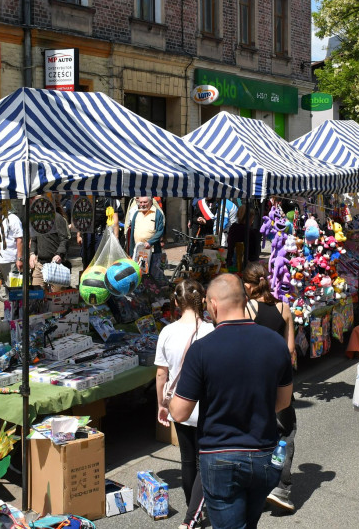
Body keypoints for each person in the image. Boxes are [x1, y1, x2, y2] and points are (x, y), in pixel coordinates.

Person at [169, 275, 293, 529]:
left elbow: (180, 413)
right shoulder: (276, 344)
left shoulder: (202, 350)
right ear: (245, 301)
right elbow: (283, 402)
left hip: (219, 456)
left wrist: (168, 400)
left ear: (213, 305)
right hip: (263, 454)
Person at [156, 279, 215, 529]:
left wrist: (162, 404)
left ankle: (193, 508)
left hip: (179, 404)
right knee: (204, 460)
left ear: (177, 303)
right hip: (207, 404)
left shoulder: (167, 332)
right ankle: (196, 511)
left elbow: (161, 375)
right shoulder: (212, 331)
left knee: (187, 459)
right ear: (202, 300)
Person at [241, 263, 297, 512]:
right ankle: (281, 488)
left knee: (254, 434)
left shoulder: (247, 309)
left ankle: (254, 487)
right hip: (279, 382)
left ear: (247, 285)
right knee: (285, 433)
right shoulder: (284, 308)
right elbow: (290, 350)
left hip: (252, 383)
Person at [28, 197, 71, 288]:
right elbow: (34, 240)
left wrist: (59, 254)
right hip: (40, 264)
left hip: (55, 264)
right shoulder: (36, 218)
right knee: (36, 294)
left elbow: (64, 239)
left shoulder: (57, 218)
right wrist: (32, 253)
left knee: (56, 298)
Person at [127, 196, 166, 280]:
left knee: (153, 275)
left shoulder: (157, 213)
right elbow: (132, 233)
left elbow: (160, 231)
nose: (142, 204)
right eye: (140, 202)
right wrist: (131, 251)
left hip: (152, 250)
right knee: (139, 274)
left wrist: (150, 242)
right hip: (138, 251)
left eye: (145, 202)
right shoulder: (136, 213)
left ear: (151, 202)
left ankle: (155, 291)